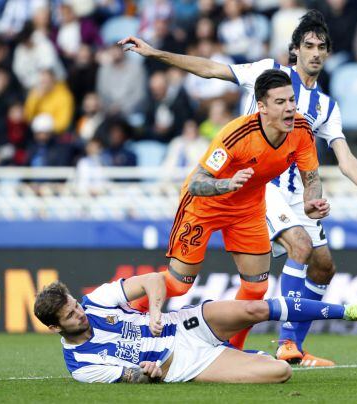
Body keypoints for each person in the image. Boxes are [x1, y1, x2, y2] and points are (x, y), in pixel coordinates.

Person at [118, 9, 357, 366]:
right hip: (258, 186)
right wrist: (156, 53)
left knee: (323, 267)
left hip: (296, 195)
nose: (315, 52)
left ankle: (254, 347)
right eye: (308, 45)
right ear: (294, 50)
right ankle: (287, 343)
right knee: (300, 245)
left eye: (321, 47)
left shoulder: (326, 106)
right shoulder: (266, 74)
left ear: (327, 53)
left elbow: (344, 157)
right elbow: (210, 68)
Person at [122, 69, 327, 352]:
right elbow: (196, 183)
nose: (290, 108)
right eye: (280, 102)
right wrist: (228, 184)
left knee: (256, 290)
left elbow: (312, 180)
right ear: (262, 107)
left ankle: (231, 350)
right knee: (179, 285)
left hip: (248, 209)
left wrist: (311, 202)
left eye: (291, 100)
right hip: (203, 207)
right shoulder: (237, 135)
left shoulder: (302, 131)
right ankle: (123, 319)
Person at [33, 272, 357, 384]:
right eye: (70, 315)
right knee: (280, 371)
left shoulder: (97, 301)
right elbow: (132, 377)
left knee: (255, 307)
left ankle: (347, 310)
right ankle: (244, 356)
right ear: (54, 327)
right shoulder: (82, 367)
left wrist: (154, 309)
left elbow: (153, 280)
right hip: (181, 362)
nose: (79, 312)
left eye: (75, 305)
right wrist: (147, 371)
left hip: (182, 324)